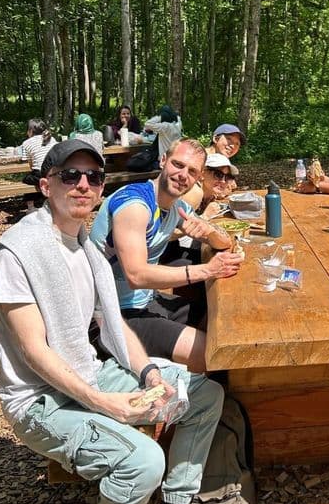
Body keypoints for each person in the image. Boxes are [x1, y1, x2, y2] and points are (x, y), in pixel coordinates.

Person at [0, 139, 224, 504]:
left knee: (203, 393)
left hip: (90, 375)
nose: (85, 184)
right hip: (40, 400)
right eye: (71, 175)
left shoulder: (86, 246)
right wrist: (108, 404)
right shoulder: (16, 254)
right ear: (45, 184)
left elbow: (114, 327)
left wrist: (150, 373)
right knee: (143, 459)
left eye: (94, 176)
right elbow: (34, 353)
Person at [90, 138, 242, 373]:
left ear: (199, 177)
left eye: (192, 171)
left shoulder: (176, 206)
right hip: (109, 316)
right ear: (163, 161)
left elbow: (224, 241)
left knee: (221, 320)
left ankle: (180, 375)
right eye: (178, 165)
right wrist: (207, 270)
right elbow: (136, 275)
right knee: (211, 351)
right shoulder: (135, 204)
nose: (183, 175)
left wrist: (210, 231)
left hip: (145, 301)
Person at [20, 119, 57, 212]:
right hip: (55, 171)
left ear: (30, 131)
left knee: (27, 180)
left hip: (39, 173)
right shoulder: (52, 139)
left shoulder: (26, 143)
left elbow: (27, 161)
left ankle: (30, 206)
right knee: (39, 181)